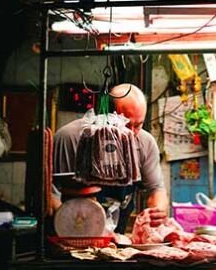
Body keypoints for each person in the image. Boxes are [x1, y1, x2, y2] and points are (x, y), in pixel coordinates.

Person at [53, 84, 168, 232]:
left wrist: (157, 211)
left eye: (138, 125)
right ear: (104, 115)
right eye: (125, 125)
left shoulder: (145, 143)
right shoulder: (70, 138)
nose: (132, 133)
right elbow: (51, 196)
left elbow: (156, 190)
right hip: (74, 232)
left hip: (116, 236)